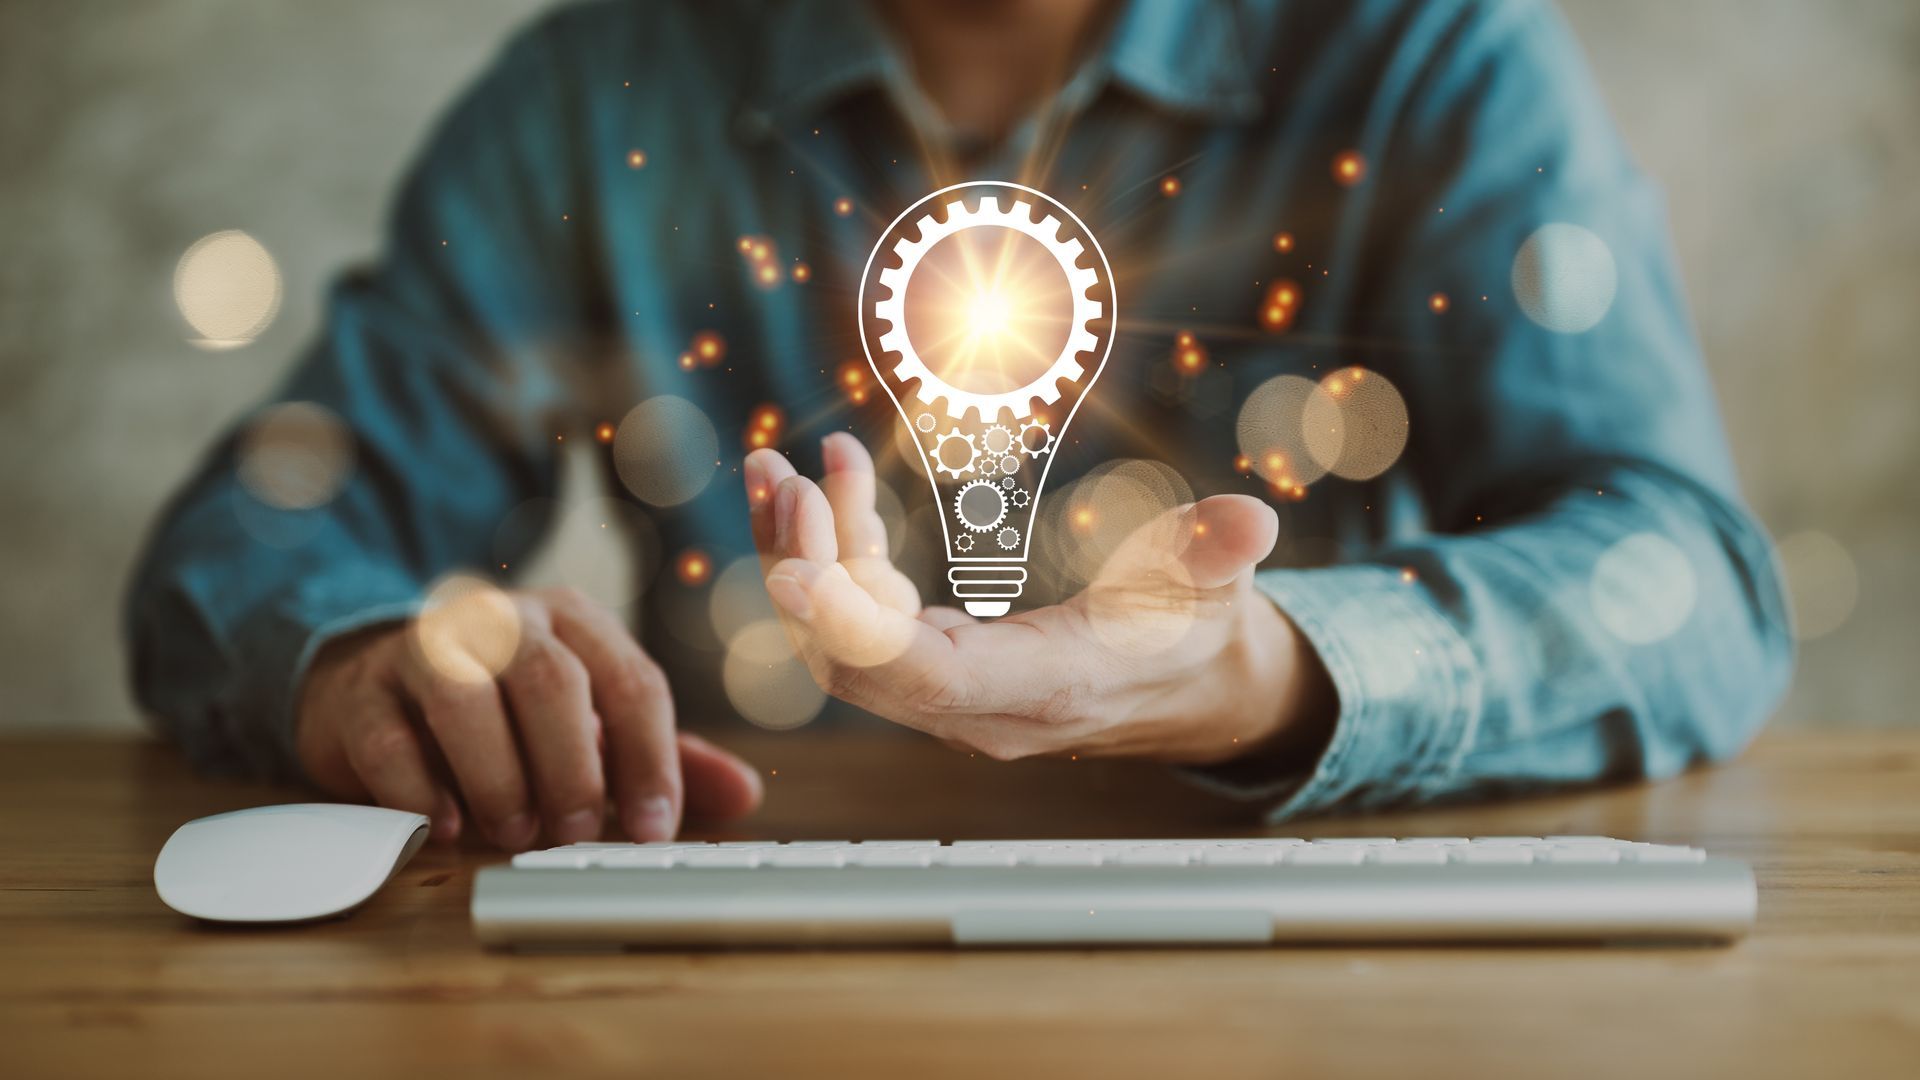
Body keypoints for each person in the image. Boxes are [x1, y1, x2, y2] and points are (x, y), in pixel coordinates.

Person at [126, 0, 1792, 852]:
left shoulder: (1427, 58)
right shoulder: (600, 93)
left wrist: (1270, 673)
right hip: (744, 929)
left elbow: (1693, 584)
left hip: (1298, 955)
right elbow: (252, 539)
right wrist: (354, 664)